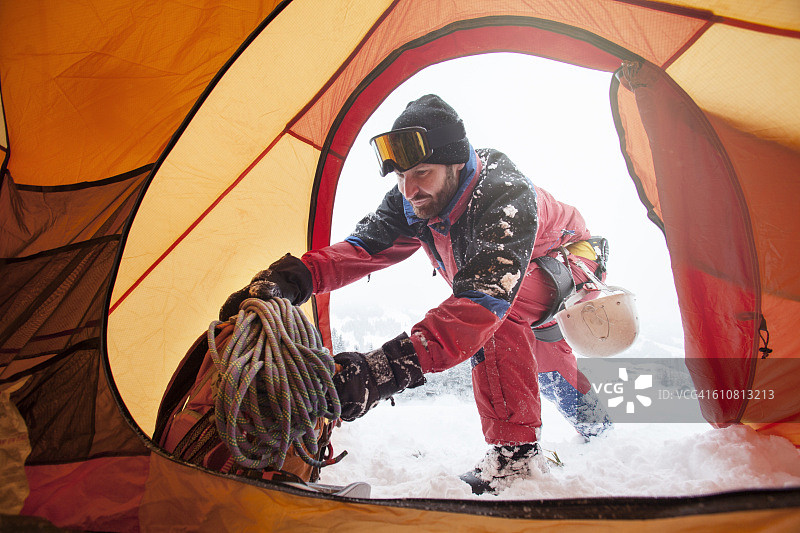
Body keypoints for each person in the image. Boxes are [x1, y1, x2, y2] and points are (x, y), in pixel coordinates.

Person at [219, 94, 611, 495]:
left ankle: (516, 459)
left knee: (493, 322)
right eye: (402, 177)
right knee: (543, 358)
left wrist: (381, 371)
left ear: (457, 163)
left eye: (421, 172)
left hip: (567, 262)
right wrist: (294, 278)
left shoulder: (503, 195)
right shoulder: (414, 198)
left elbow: (478, 307)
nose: (409, 189)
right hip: (514, 282)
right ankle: (600, 427)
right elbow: (362, 249)